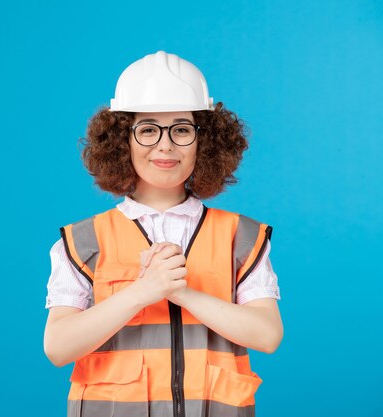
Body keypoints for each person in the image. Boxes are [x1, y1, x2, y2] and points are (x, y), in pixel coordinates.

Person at [43, 50, 283, 417]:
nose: (165, 145)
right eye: (149, 129)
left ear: (206, 141)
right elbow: (58, 347)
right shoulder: (83, 240)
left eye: (182, 129)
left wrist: (181, 292)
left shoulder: (241, 236)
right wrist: (143, 292)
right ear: (122, 140)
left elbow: (267, 336)